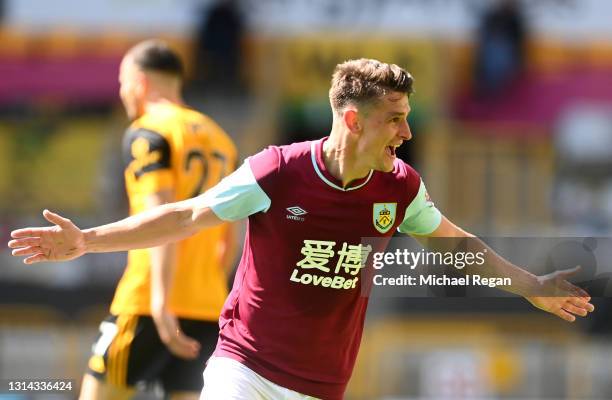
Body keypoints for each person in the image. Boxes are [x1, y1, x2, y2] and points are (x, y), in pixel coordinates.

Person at [9, 58, 594, 400]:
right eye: (395, 119)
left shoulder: (401, 188)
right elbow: (185, 215)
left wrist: (532, 285)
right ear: (352, 119)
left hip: (322, 387)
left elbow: (460, 248)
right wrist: (86, 239)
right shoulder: (278, 171)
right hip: (244, 370)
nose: (407, 133)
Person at [53, 39, 237, 399]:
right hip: (206, 305)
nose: (122, 94)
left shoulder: (149, 132)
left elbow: (161, 217)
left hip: (150, 302)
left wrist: (161, 301)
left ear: (138, 82)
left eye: (122, 84)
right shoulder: (221, 140)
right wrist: (212, 287)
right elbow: (233, 228)